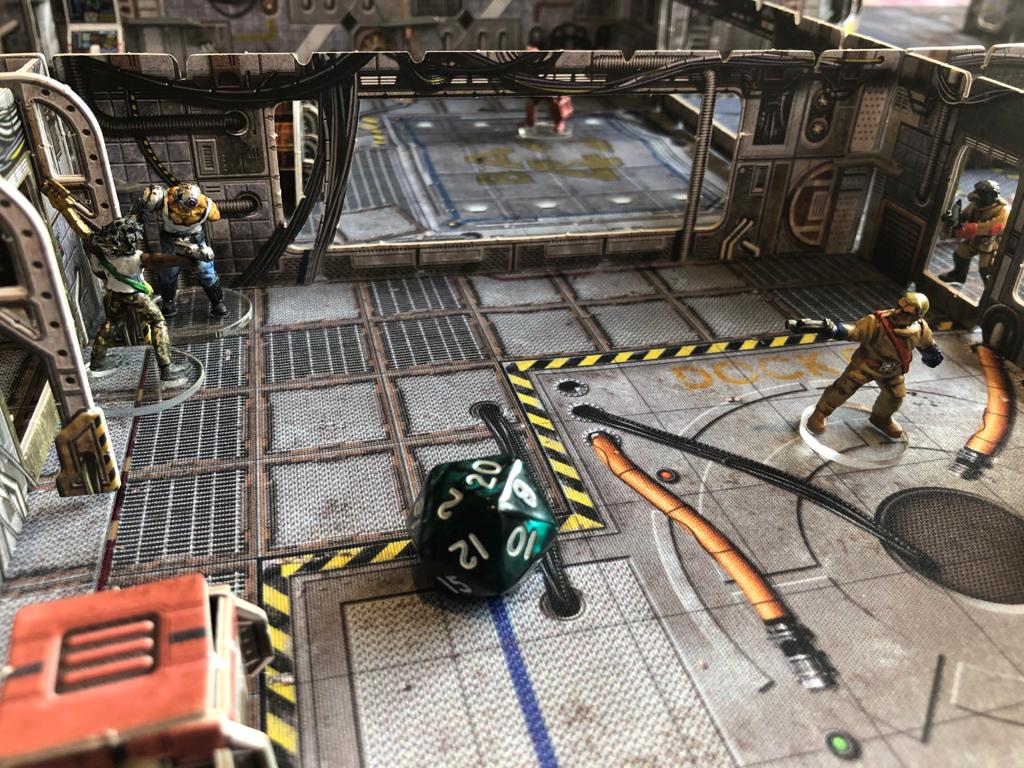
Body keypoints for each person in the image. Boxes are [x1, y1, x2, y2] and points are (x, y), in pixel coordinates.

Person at [793, 292, 943, 439]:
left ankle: (881, 418)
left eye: (906, 313)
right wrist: (834, 330)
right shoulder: (877, 322)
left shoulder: (921, 329)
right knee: (843, 388)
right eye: (899, 307)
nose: (898, 313)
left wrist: (932, 355)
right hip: (866, 365)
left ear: (918, 316)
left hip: (893, 370)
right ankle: (821, 413)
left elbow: (928, 345)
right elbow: (855, 331)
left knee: (895, 396)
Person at [142, 183, 226, 317]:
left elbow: (215, 216)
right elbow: (147, 205)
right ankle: (168, 303)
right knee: (168, 272)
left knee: (206, 271)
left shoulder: (206, 205)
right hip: (171, 240)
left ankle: (218, 303)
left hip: (195, 240)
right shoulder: (165, 198)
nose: (183, 212)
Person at [939, 179, 1010, 286]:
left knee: (986, 268)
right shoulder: (976, 204)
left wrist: (971, 228)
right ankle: (958, 276)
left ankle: (990, 288)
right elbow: (965, 214)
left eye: (982, 193)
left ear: (992, 195)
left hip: (991, 244)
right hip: (974, 239)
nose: (977, 195)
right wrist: (953, 218)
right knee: (960, 254)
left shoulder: (1003, 209)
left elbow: (996, 226)